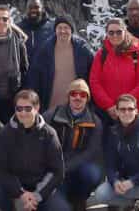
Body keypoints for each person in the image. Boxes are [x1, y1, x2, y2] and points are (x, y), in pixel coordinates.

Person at [0, 89, 68, 211]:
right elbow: (1, 169)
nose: (23, 113)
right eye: (19, 109)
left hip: (41, 188)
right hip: (15, 189)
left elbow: (58, 171)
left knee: (62, 208)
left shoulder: (49, 134)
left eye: (28, 108)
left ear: (37, 108)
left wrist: (37, 196)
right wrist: (21, 193)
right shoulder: (5, 134)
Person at [92, 93, 139, 211]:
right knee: (101, 193)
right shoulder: (113, 133)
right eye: (123, 109)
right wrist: (115, 181)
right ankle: (134, 204)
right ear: (117, 112)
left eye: (130, 109)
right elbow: (110, 165)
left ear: (136, 111)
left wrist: (133, 181)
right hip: (126, 182)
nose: (126, 113)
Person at [43, 79, 103, 211]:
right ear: (68, 96)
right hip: (55, 165)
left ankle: (80, 199)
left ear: (87, 99)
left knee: (92, 174)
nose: (78, 98)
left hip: (78, 165)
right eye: (74, 94)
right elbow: (42, 142)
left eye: (82, 95)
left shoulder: (95, 121)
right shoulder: (51, 115)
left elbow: (91, 152)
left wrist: (66, 166)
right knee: (60, 206)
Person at [24, 16, 94, 112]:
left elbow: (92, 74)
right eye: (59, 28)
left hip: (77, 104)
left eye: (66, 28)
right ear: (55, 30)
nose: (62, 31)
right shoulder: (45, 50)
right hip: (50, 106)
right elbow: (34, 76)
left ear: (71, 30)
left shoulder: (82, 49)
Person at [89, 18, 139, 121]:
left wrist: (125, 105)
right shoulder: (101, 55)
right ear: (107, 34)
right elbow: (94, 82)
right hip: (107, 113)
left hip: (130, 112)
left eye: (119, 32)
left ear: (125, 32)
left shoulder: (136, 54)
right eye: (111, 33)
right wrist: (109, 106)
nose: (115, 35)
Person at [18, 0, 56, 68]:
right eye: (30, 7)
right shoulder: (19, 28)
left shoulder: (52, 27)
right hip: (25, 72)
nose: (33, 10)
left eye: (36, 7)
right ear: (26, 10)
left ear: (42, 9)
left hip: (46, 71)